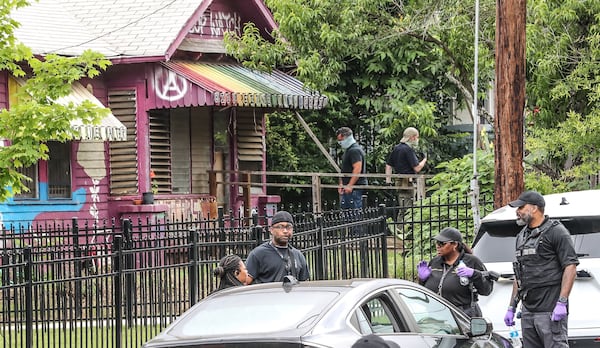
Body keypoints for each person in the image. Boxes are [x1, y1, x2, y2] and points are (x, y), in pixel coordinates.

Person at [503, 190, 579, 348]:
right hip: (528, 310)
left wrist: (562, 302)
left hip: (549, 309)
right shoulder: (522, 236)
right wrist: (512, 306)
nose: (518, 212)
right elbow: (519, 275)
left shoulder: (556, 232)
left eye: (521, 207)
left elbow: (570, 267)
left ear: (534, 208)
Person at [417, 227, 493, 317]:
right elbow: (425, 292)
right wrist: (422, 279)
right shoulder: (435, 262)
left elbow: (486, 290)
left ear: (455, 245)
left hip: (462, 316)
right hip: (436, 315)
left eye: (442, 243)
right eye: (437, 243)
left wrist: (475, 275)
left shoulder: (471, 261)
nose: (438, 246)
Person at [245, 211, 310, 284]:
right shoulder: (258, 254)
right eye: (280, 227)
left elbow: (305, 284)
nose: (285, 231)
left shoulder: (298, 255)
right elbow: (245, 282)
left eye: (288, 227)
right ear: (271, 230)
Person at [385, 127, 427, 206]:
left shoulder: (397, 148)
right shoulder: (408, 150)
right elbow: (417, 168)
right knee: (407, 208)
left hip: (398, 181)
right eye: (417, 137)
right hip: (407, 183)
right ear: (412, 137)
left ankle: (401, 218)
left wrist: (388, 181)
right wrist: (424, 160)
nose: (417, 139)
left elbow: (388, 166)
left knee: (403, 205)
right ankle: (403, 219)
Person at [336, 127, 367, 209]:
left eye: (340, 140)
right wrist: (342, 183)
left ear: (345, 137)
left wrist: (350, 185)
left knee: (354, 214)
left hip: (355, 188)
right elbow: (345, 169)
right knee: (348, 214)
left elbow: (357, 169)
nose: (340, 142)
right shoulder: (349, 150)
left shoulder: (354, 150)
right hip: (348, 187)